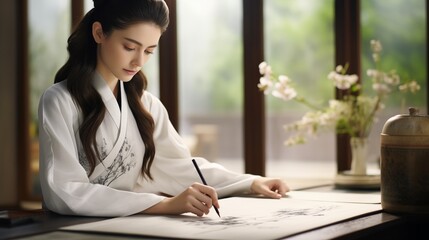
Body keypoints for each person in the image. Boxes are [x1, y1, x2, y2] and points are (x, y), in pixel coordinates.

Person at [38, 0, 289, 218]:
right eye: (129, 47)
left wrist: (251, 182)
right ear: (99, 33)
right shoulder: (59, 100)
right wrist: (162, 204)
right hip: (72, 228)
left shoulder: (146, 105)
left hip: (128, 225)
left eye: (148, 51)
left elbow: (182, 168)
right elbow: (63, 189)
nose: (138, 62)